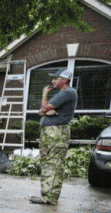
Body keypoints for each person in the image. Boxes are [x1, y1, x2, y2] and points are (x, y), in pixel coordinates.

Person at [32, 69, 77, 205]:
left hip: (56, 133)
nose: (53, 81)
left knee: (53, 164)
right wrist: (46, 111)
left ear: (64, 80)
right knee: (48, 163)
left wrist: (45, 94)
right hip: (51, 132)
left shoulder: (68, 92)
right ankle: (46, 196)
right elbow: (41, 111)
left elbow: (43, 107)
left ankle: (49, 198)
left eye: (56, 78)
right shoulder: (62, 94)